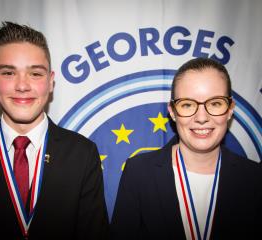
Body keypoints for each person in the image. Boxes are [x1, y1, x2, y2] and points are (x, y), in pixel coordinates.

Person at [0, 21, 109, 239]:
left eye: (35, 74)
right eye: (8, 73)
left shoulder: (82, 153)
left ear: (51, 82)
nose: (22, 86)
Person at [110, 58, 262, 239]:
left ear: (230, 109)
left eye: (215, 103)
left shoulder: (255, 179)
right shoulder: (138, 172)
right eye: (188, 105)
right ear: (173, 112)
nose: (202, 117)